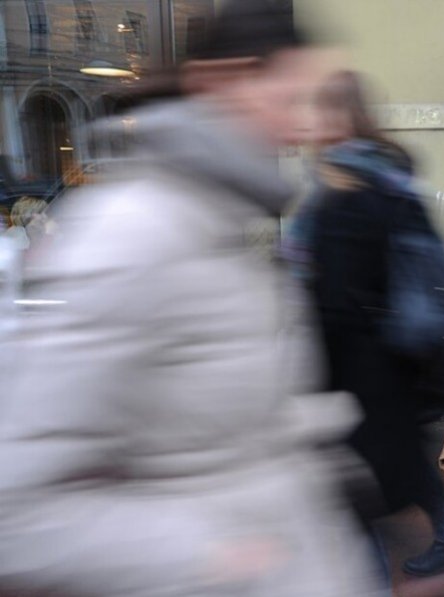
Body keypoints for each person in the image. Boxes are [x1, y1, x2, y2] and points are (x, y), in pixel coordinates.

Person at [0, 2, 388, 596]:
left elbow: (206, 415)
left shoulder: (227, 226)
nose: (304, 128)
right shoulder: (131, 233)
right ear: (223, 82)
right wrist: (212, 558)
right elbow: (20, 511)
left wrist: (316, 439)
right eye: (291, 100)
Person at [293, 70, 444, 579]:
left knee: (356, 495)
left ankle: (387, 573)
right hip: (407, 357)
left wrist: (311, 384)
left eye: (320, 112)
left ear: (339, 118)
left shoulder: (340, 194)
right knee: (398, 468)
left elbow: (331, 303)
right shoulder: (396, 180)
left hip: (361, 370)